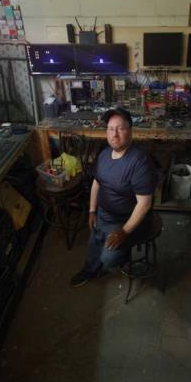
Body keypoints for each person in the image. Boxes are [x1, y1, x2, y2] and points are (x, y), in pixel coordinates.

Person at [70, 107, 157, 287]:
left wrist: (124, 232)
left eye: (120, 128)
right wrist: (92, 211)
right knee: (94, 243)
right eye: (110, 129)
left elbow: (145, 203)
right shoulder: (104, 155)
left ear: (130, 131)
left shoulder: (139, 162)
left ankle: (118, 257)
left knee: (109, 259)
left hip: (125, 220)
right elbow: (97, 183)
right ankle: (90, 271)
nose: (114, 134)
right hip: (103, 214)